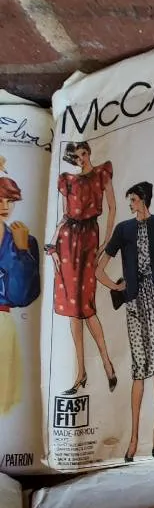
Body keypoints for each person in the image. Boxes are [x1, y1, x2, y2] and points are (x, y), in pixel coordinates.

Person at [96, 181, 154, 460]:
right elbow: (99, 270)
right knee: (139, 369)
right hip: (134, 302)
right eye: (129, 200)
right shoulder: (123, 229)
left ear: (143, 200)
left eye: (133, 199)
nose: (130, 204)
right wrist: (116, 286)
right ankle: (133, 439)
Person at [48, 141, 117, 395]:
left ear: (89, 153)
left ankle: (107, 363)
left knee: (86, 307)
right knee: (72, 309)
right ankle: (81, 372)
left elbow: (112, 208)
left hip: (89, 239)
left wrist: (107, 242)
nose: (82, 159)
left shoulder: (102, 173)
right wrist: (53, 245)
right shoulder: (67, 181)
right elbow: (64, 217)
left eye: (84, 154)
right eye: (76, 157)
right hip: (67, 242)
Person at [0, 174, 40, 415]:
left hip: (3, 323)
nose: (5, 206)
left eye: (10, 201)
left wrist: (22, 251)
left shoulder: (24, 240)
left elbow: (22, 297)